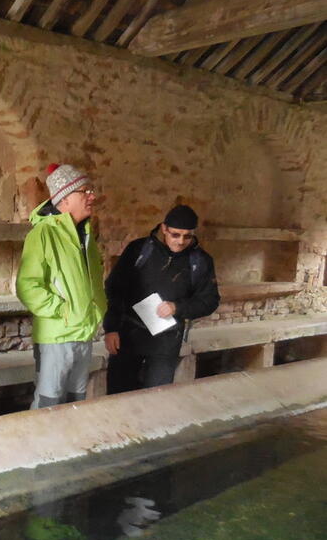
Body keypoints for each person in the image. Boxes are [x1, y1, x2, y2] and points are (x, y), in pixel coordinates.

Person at [16, 163, 107, 409]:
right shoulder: (43, 234)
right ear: (65, 200)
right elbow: (27, 286)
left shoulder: (84, 234)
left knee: (75, 402)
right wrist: (62, 310)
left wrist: (97, 309)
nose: (92, 196)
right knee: (49, 403)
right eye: (85, 192)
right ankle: (40, 447)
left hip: (83, 331)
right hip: (58, 336)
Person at [104, 205, 219, 394]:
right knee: (119, 396)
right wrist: (111, 328)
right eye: (175, 235)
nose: (181, 241)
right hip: (128, 336)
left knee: (155, 400)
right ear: (164, 229)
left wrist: (178, 307)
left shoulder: (200, 261)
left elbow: (209, 300)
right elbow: (115, 289)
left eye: (187, 236)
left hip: (166, 342)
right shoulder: (139, 250)